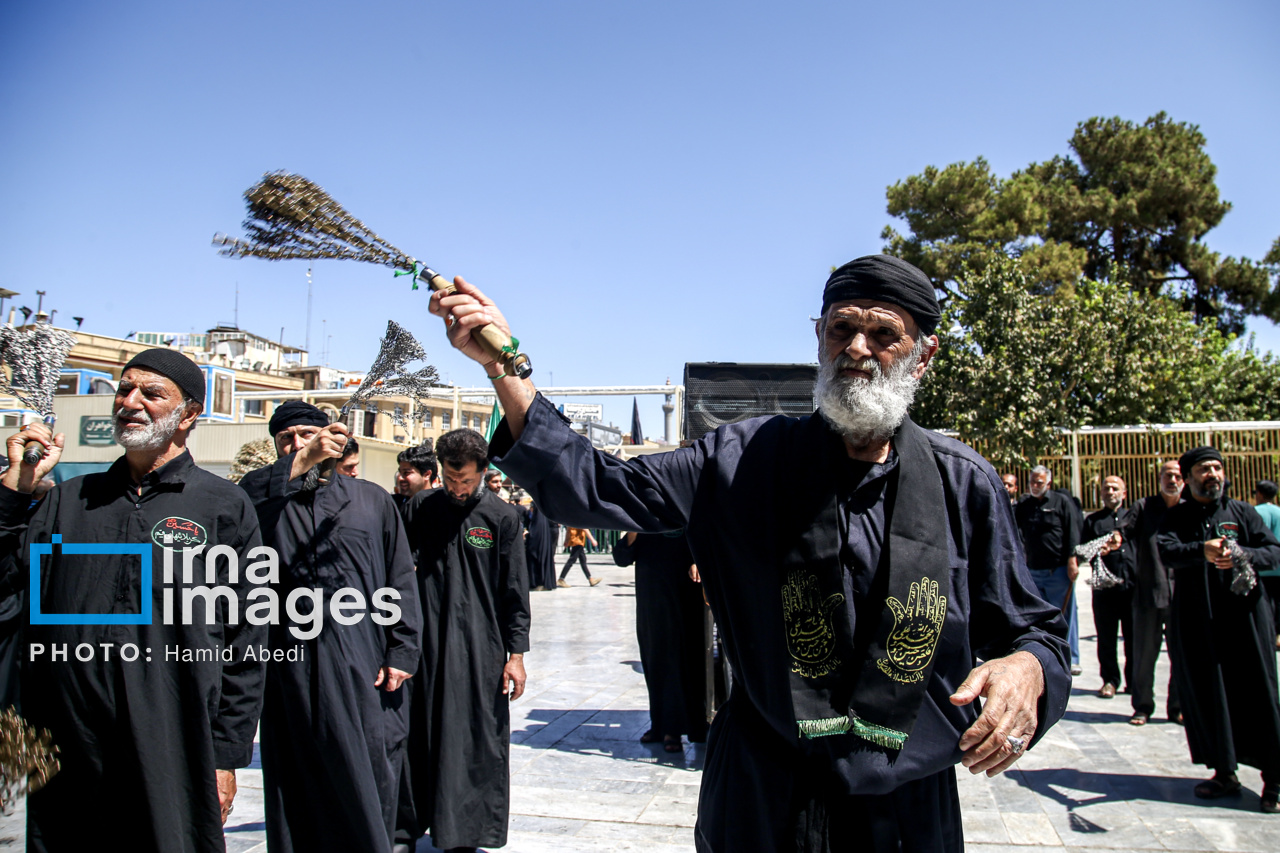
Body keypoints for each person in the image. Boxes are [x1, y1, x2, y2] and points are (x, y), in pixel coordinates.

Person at [428, 255, 1070, 852]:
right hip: (762, 793)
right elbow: (598, 485)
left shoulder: (964, 483)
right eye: (841, 329)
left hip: (906, 805)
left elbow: (1034, 631)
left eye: (883, 334)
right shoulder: (739, 460)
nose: (856, 349)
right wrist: (505, 366)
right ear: (818, 337)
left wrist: (1027, 671)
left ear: (923, 355)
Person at [0, 348, 266, 852]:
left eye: (151, 393)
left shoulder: (223, 505)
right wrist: (14, 492)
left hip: (174, 736)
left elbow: (246, 638)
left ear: (189, 413)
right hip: (70, 743)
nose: (130, 401)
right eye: (124, 389)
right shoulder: (68, 500)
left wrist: (226, 754)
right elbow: (8, 589)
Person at [239, 401, 422, 853]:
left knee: (367, 772)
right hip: (291, 665)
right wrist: (301, 460)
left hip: (363, 662)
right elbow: (245, 494)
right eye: (287, 439)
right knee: (296, 778)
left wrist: (402, 650)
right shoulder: (263, 500)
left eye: (308, 434)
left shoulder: (372, 501)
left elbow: (399, 578)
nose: (299, 444)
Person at [401, 429, 531, 852]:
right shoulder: (421, 507)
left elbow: (514, 591)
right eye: (452, 480)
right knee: (418, 732)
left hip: (481, 647)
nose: (458, 489)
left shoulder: (502, 517)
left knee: (475, 738)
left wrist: (516, 655)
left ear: (483, 473)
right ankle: (409, 825)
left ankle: (466, 835)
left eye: (467, 482)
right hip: (425, 642)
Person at [1158, 447, 1280, 813]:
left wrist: (1243, 554)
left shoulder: (1243, 512)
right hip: (1198, 624)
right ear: (1189, 476)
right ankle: (1224, 771)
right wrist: (1202, 550)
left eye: (1216, 467)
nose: (1212, 474)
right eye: (1204, 469)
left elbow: (1274, 552)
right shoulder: (1177, 516)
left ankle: (1274, 778)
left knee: (1259, 694)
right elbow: (1168, 551)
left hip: (1245, 620)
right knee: (1208, 696)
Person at [613, 530, 708, 753]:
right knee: (654, 661)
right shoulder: (643, 521)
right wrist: (633, 530)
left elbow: (702, 535)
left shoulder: (684, 509)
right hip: (651, 600)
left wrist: (698, 560)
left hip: (683, 595)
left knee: (680, 660)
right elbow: (622, 558)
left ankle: (676, 729)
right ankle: (659, 725)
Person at [1119, 460, 1184, 726]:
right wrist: (1115, 538)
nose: (1173, 480)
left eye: (1178, 475)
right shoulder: (1144, 507)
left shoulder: (1189, 509)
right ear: (1159, 478)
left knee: (1181, 655)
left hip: (1182, 595)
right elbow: (1124, 530)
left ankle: (1178, 707)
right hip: (1149, 591)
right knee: (1144, 654)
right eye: (1168, 475)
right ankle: (1142, 706)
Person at [1015, 465, 1083, 675]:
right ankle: (1045, 658)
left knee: (1065, 616)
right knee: (1038, 619)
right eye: (1032, 482)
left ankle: (1071, 658)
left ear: (1048, 483)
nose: (1035, 486)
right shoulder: (1024, 505)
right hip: (1033, 572)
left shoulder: (1061, 502)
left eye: (1039, 483)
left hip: (1058, 571)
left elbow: (1073, 531)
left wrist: (1073, 560)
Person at [1082, 475, 1134, 698]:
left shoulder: (1133, 518)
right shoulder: (1093, 521)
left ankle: (1133, 681)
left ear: (1124, 493)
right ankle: (1110, 680)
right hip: (1104, 589)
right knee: (1106, 638)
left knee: (1133, 638)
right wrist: (1099, 547)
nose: (1110, 491)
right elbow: (1082, 550)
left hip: (1131, 587)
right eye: (1106, 488)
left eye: (1115, 488)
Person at [1253, 480, 1280, 647]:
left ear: (1260, 494)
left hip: (1263, 567)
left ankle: (1268, 634)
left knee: (1265, 604)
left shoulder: (1255, 512)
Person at [520, 497, 559, 591]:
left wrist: (527, 536)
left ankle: (537, 583)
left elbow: (534, 538)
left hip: (536, 550)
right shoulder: (543, 522)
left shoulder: (537, 522)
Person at [394, 441, 438, 510]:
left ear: (427, 475)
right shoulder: (394, 505)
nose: (400, 478)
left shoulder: (441, 507)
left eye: (406, 473)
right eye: (400, 472)